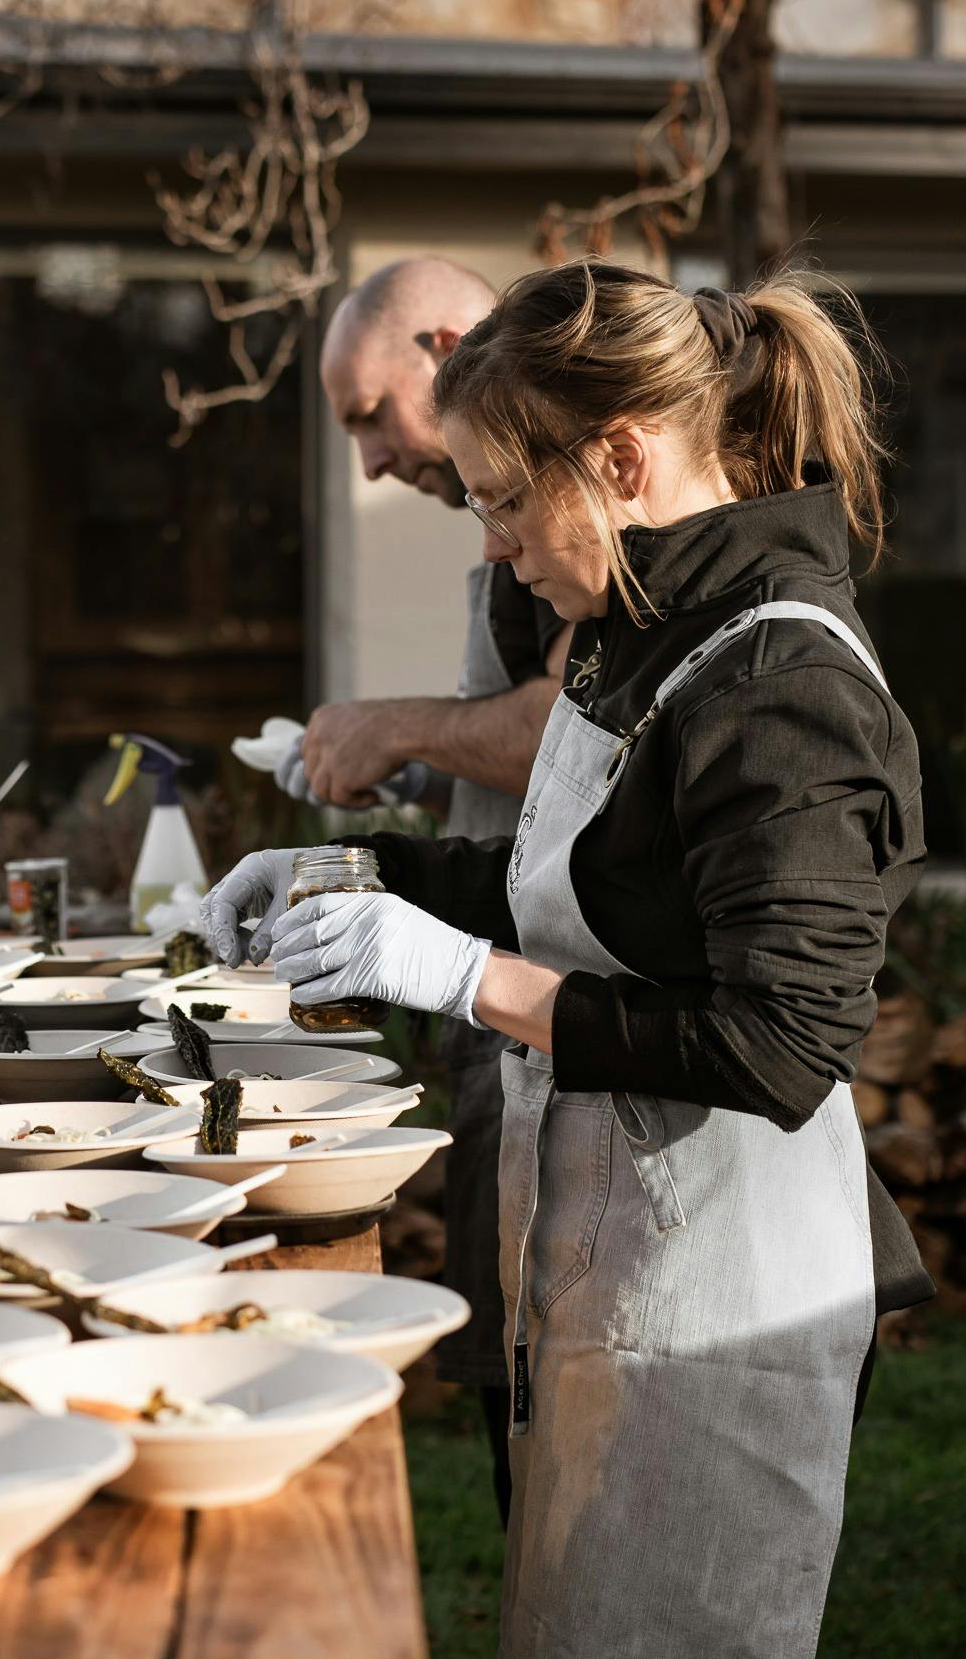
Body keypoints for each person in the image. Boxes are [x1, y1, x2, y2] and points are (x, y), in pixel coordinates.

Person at [205, 258, 936, 1659]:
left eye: (497, 498)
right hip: (612, 1268)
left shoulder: (782, 686)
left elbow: (783, 1045)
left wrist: (460, 978)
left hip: (723, 1309)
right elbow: (580, 896)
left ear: (617, 454)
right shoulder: (647, 639)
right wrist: (372, 887)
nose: (489, 544)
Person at [300, 255, 570, 1523]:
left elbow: (562, 734)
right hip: (503, 1011)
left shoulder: (588, 528)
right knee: (519, 1427)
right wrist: (412, 817)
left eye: (368, 414)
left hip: (568, 1030)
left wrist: (396, 724)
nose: (364, 461)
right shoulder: (519, 522)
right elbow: (520, 778)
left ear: (450, 344)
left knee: (566, 1431)